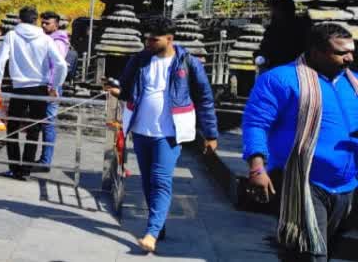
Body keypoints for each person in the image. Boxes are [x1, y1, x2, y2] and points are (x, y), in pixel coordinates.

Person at [243, 21, 358, 261]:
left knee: (312, 252)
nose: (349, 57)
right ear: (316, 52)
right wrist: (257, 167)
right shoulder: (281, 79)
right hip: (302, 183)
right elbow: (256, 124)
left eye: (351, 51)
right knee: (312, 254)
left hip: (348, 185)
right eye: (341, 52)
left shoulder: (353, 82)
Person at [110, 15, 218, 253]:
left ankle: (151, 233)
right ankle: (158, 225)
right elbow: (127, 90)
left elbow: (205, 98)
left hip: (170, 131)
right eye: (146, 38)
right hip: (141, 129)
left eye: (153, 39)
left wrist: (210, 134)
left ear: (169, 39)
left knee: (161, 179)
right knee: (148, 180)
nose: (148, 42)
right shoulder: (139, 59)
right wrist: (114, 89)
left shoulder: (188, 62)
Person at [0, 6, 68, 180]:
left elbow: (0, 61)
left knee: (12, 129)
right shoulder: (45, 38)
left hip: (18, 87)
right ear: (35, 20)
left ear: (20, 19)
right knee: (34, 129)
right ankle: (26, 169)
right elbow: (61, 65)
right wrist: (55, 87)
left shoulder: (11, 35)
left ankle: (14, 167)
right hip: (40, 88)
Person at [38, 11, 72, 170]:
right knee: (44, 121)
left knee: (48, 122)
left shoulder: (57, 41)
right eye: (42, 22)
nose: (44, 25)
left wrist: (52, 86)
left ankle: (45, 161)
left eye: (47, 23)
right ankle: (44, 159)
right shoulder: (48, 38)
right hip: (47, 84)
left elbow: (57, 66)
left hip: (52, 85)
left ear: (56, 25)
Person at [257, 0, 312, 72]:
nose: (271, 13)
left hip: (287, 67)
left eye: (274, 10)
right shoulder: (274, 27)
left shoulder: (281, 28)